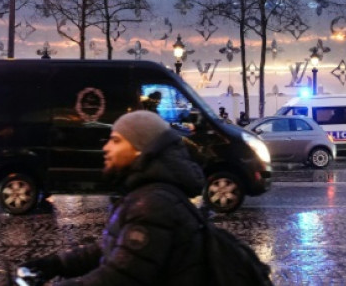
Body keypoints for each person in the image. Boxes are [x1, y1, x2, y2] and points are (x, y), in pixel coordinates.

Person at [22, 110, 208, 285]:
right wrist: (56, 264)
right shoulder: (147, 193)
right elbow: (112, 246)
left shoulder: (154, 204)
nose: (106, 147)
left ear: (140, 149)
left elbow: (120, 277)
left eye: (116, 140)